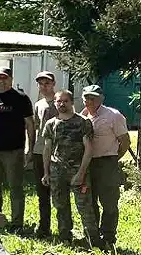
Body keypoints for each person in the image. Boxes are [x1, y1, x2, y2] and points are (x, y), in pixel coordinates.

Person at [0, 66, 35, 230]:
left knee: (15, 188)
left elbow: (30, 124)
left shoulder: (21, 98)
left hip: (14, 151)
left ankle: (17, 224)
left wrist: (29, 148)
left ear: (11, 79)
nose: (1, 80)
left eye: (5, 78)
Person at [42, 90, 100, 246]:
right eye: (59, 101)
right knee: (61, 207)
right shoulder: (51, 124)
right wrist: (46, 172)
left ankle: (93, 241)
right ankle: (65, 238)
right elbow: (47, 149)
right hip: (56, 172)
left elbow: (89, 149)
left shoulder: (83, 122)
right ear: (54, 103)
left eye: (65, 101)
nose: (62, 104)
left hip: (78, 171)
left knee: (85, 208)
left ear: (71, 102)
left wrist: (81, 173)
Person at [81, 84, 130, 250]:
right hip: (87, 164)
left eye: (93, 98)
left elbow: (125, 142)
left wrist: (113, 159)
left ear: (101, 99)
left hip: (107, 162)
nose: (89, 101)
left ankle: (108, 237)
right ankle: (93, 237)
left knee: (109, 202)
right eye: (87, 97)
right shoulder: (83, 116)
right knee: (89, 201)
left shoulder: (113, 116)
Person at [32, 71, 59, 237]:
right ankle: (44, 227)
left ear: (53, 84)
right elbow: (36, 128)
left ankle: (64, 228)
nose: (44, 86)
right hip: (39, 151)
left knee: (59, 192)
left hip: (57, 153)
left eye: (47, 83)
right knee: (42, 192)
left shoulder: (61, 102)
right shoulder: (38, 104)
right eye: (41, 84)